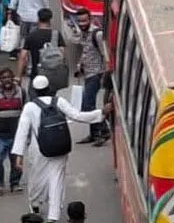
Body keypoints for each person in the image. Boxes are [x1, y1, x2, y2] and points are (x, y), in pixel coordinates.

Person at [13, 75, 108, 223]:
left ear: (34, 91)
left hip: (38, 150)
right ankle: (53, 216)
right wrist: (101, 113)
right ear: (49, 88)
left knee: (36, 180)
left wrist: (18, 155)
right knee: (56, 180)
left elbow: (22, 131)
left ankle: (35, 205)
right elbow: (78, 116)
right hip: (60, 147)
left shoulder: (29, 107)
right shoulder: (59, 102)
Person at [66, 9, 108, 145]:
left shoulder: (97, 34)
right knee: (89, 105)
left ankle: (103, 131)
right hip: (87, 73)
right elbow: (86, 52)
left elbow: (105, 54)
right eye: (79, 21)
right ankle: (95, 133)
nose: (82, 24)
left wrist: (105, 74)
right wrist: (80, 65)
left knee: (86, 105)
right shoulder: (83, 34)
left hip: (96, 74)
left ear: (90, 19)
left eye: (84, 21)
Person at [0, 67, 24, 196]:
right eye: (3, 78)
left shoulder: (21, 92)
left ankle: (15, 183)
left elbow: (26, 112)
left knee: (16, 160)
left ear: (13, 78)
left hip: (17, 134)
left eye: (9, 77)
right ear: (0, 80)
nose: (7, 80)